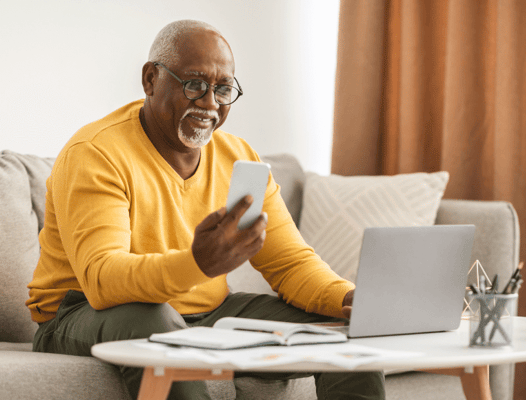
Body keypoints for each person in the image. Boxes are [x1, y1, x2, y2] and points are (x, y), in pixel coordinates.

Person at [26, 20, 384, 400]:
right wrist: (197, 263)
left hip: (207, 313)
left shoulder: (238, 157)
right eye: (194, 84)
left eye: (224, 88)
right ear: (151, 79)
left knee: (342, 329)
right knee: (154, 318)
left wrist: (348, 298)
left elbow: (290, 263)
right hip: (81, 315)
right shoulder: (96, 153)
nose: (211, 103)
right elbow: (102, 281)